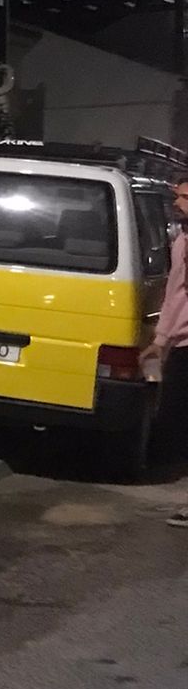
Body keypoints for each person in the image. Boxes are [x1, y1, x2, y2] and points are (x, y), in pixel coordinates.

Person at [143, 174, 188, 526]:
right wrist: (161, 339)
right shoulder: (182, 239)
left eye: (183, 196)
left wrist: (165, 338)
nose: (176, 202)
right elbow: (175, 295)